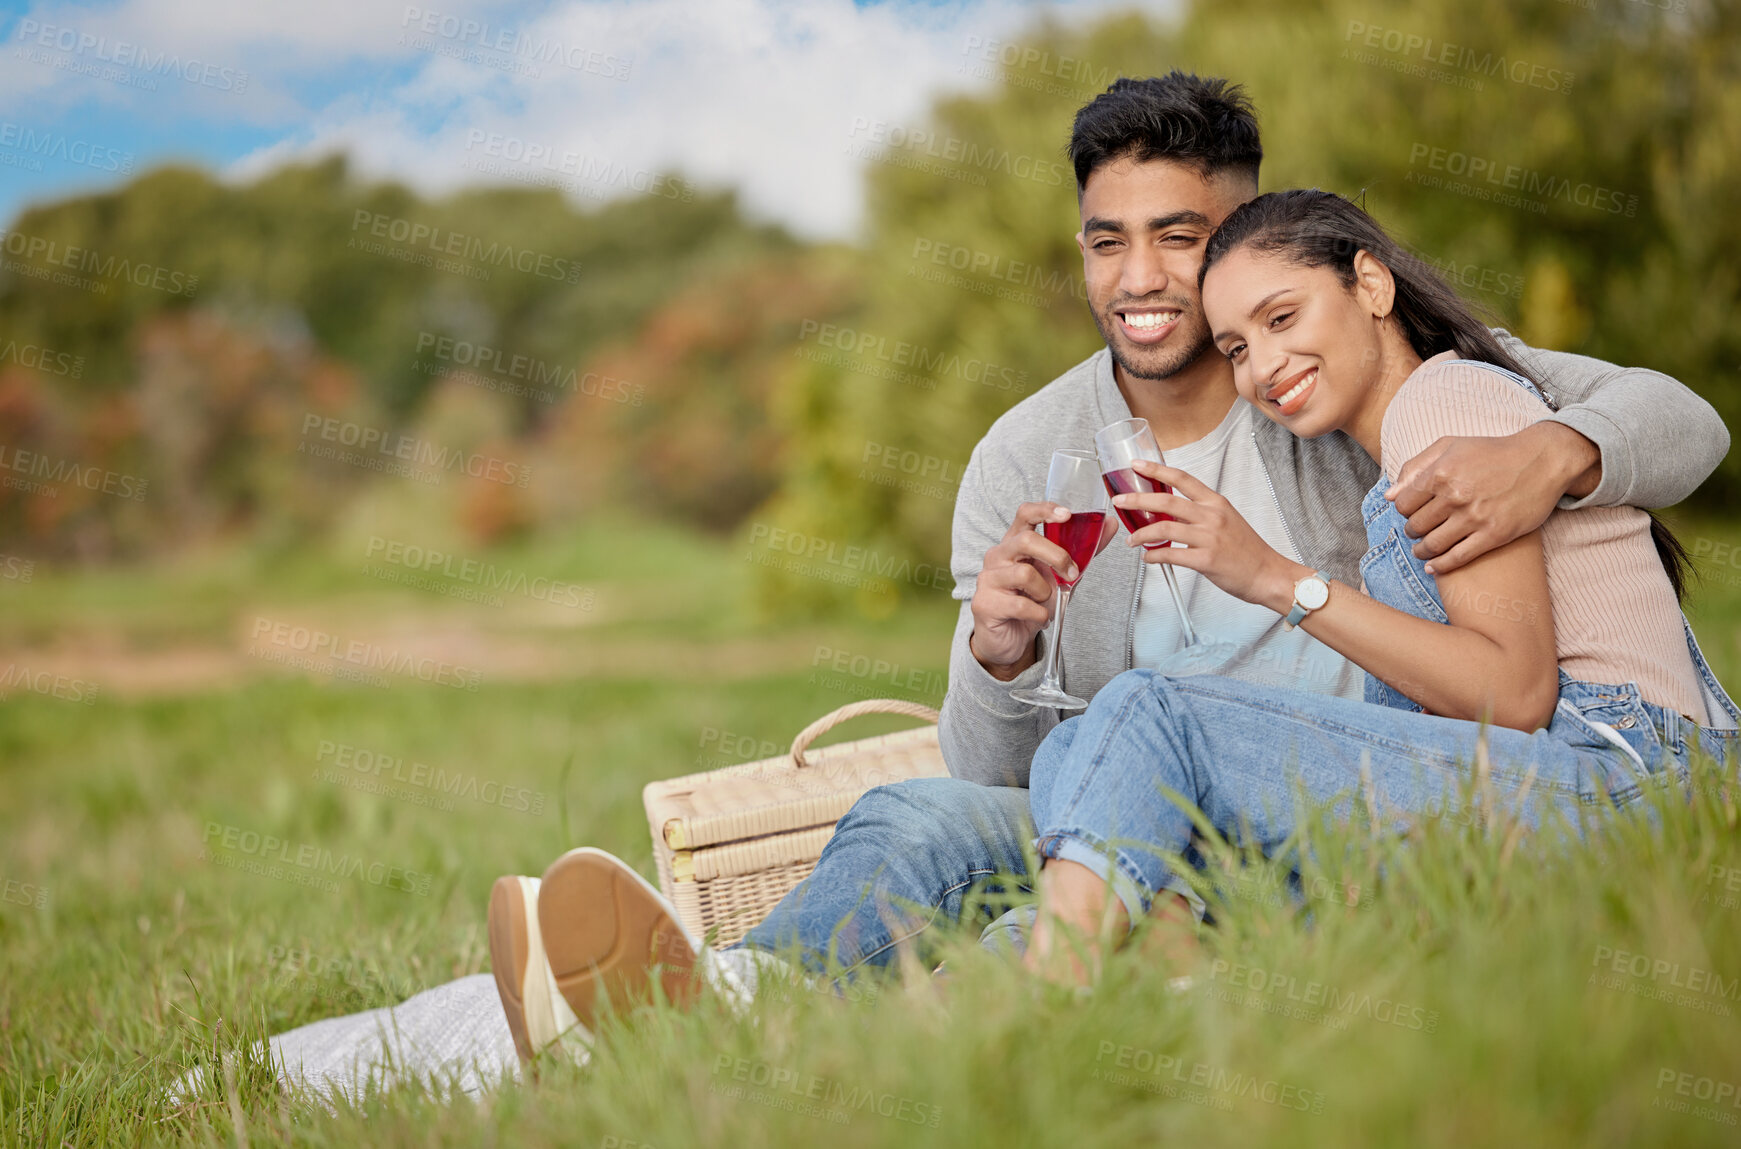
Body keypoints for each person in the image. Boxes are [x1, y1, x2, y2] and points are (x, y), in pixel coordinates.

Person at [1021, 187, 1738, 981]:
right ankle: (1184, 979)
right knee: (1072, 746)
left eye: (1281, 319)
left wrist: (1272, 579)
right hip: (1534, 795)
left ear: (1370, 285)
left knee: (1146, 706)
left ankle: (1048, 992)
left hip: (1621, 785)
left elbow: (1516, 691)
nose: (1261, 367)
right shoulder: (1400, 445)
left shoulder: (1443, 399)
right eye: (1234, 349)